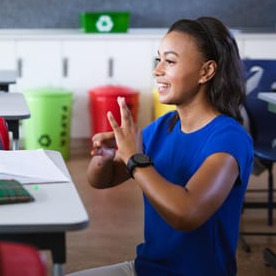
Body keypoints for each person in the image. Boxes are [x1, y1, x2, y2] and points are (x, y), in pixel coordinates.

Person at [72, 17, 253, 275]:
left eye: (169, 61)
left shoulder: (228, 139)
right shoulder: (164, 126)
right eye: (158, 60)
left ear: (206, 71)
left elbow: (187, 214)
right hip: (146, 268)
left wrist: (134, 158)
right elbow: (103, 180)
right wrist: (106, 155)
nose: (157, 70)